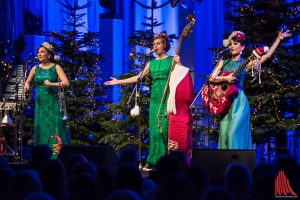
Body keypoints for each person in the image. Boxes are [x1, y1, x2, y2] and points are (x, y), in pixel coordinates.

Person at [104, 32, 180, 170]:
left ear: (164, 45)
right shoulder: (151, 63)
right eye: (154, 44)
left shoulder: (172, 60)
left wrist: (178, 62)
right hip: (155, 99)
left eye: (158, 43)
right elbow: (138, 77)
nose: (155, 46)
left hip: (167, 98)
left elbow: (181, 76)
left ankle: (166, 161)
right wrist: (117, 82)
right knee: (155, 131)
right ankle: (153, 160)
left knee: (165, 129)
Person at [208, 30, 291, 149]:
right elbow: (211, 78)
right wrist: (226, 78)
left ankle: (238, 163)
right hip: (224, 102)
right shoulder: (223, 62)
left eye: (236, 43)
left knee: (233, 134)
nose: (232, 46)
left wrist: (278, 39)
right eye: (231, 43)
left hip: (239, 102)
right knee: (225, 135)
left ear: (242, 47)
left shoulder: (246, 63)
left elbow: (266, 56)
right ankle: (226, 166)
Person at [24, 42, 70, 153]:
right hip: (40, 102)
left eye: (42, 52)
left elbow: (66, 83)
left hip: (53, 101)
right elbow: (28, 82)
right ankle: (42, 153)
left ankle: (55, 153)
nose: (39, 54)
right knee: (42, 126)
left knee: (54, 126)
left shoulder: (56, 67)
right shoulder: (35, 69)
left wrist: (52, 84)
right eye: (38, 52)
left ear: (49, 55)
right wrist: (27, 86)